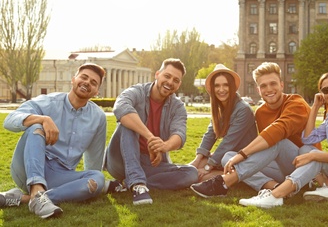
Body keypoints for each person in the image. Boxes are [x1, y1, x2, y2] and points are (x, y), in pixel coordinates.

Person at [237, 72, 328, 208]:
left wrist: (314, 156)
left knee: (316, 157)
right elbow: (308, 139)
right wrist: (315, 107)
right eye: (326, 90)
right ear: (322, 94)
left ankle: (276, 195)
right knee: (306, 150)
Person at [190, 62, 321, 198]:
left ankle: (222, 183)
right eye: (263, 86)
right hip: (279, 167)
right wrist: (200, 159)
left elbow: (278, 130)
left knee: (278, 141)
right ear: (258, 90)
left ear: (282, 85)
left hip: (303, 166)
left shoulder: (296, 103)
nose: (269, 89)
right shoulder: (261, 112)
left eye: (273, 84)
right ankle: (275, 186)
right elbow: (211, 134)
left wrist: (241, 155)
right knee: (228, 157)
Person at [0, 63, 107, 218]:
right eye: (84, 77)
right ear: (73, 79)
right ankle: (36, 191)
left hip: (59, 175)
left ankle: (30, 199)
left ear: (96, 92)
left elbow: (94, 160)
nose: (87, 83)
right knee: (35, 126)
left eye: (93, 82)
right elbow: (9, 120)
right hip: (28, 166)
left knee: (98, 178)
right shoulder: (48, 102)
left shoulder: (98, 117)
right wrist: (43, 119)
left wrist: (94, 184)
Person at [104, 58, 198, 206]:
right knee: (127, 123)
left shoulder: (177, 106)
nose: (170, 82)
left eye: (175, 80)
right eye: (167, 76)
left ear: (179, 84)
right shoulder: (136, 92)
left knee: (192, 173)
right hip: (120, 159)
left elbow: (180, 134)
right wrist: (151, 138)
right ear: (157, 74)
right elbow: (121, 108)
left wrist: (163, 147)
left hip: (149, 163)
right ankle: (137, 185)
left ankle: (129, 182)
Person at [188, 64, 258, 182]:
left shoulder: (243, 109)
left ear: (232, 87)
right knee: (194, 169)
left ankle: (237, 179)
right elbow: (210, 134)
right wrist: (197, 160)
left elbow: (228, 143)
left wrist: (208, 166)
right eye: (217, 86)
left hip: (241, 159)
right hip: (227, 155)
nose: (221, 90)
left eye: (226, 85)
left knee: (199, 177)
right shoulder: (220, 109)